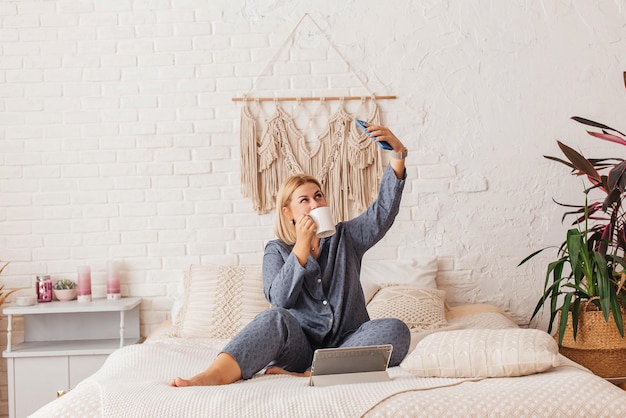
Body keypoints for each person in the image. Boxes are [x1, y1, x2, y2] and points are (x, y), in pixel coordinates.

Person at [171, 123, 410, 387]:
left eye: (318, 196)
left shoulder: (346, 237)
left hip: (348, 341)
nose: (315, 204)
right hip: (300, 348)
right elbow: (280, 298)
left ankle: (315, 373)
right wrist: (302, 247)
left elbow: (382, 214)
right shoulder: (276, 250)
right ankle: (213, 375)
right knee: (274, 318)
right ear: (288, 213)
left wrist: (398, 155)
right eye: (304, 200)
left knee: (396, 330)